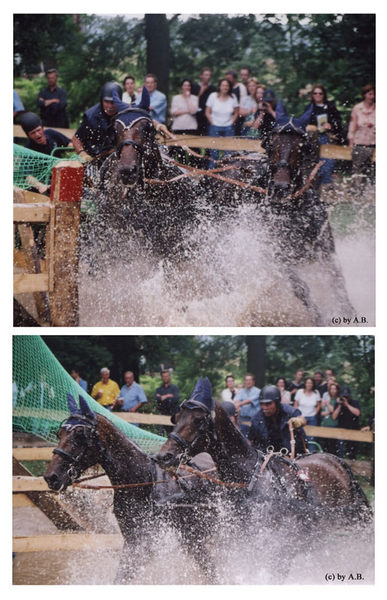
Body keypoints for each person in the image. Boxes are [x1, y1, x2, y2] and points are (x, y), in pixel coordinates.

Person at [72, 81, 123, 163]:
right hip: (93, 159)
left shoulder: (124, 115)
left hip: (116, 158)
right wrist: (82, 153)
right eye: (106, 102)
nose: (110, 106)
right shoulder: (90, 117)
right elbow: (76, 139)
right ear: (101, 100)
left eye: (113, 102)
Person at [249, 385, 306, 455]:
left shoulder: (290, 412)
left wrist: (298, 421)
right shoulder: (256, 419)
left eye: (268, 404)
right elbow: (251, 441)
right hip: (268, 458)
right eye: (262, 404)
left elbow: (302, 420)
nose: (264, 408)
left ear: (277, 402)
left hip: (294, 455)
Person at [305, 84, 344, 187]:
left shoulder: (330, 107)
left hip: (327, 138)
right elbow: (304, 123)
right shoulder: (309, 108)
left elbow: (339, 123)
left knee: (327, 163)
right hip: (312, 139)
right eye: (315, 93)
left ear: (324, 95)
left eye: (320, 93)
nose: (318, 95)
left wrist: (331, 126)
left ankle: (326, 187)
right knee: (312, 163)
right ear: (312, 95)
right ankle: (312, 187)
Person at [205, 78, 239, 168]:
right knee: (214, 153)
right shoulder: (213, 96)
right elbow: (207, 111)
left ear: (229, 87)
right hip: (215, 127)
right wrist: (212, 122)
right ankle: (211, 173)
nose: (225, 87)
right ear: (219, 86)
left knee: (228, 153)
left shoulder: (233, 97)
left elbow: (236, 112)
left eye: (227, 85)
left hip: (228, 127)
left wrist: (232, 122)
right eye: (223, 85)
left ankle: (228, 173)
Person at [347, 84, 375, 187]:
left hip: (373, 143)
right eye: (370, 94)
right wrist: (351, 142)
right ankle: (356, 193)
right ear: (365, 95)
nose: (372, 97)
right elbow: (352, 126)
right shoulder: (357, 108)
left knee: (370, 172)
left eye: (374, 94)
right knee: (358, 171)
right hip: (359, 143)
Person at [332, 386, 361, 459]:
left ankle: (352, 462)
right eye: (343, 396)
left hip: (353, 429)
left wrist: (347, 404)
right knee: (340, 449)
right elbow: (334, 417)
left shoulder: (354, 402)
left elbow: (357, 413)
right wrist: (339, 406)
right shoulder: (338, 404)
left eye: (346, 396)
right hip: (341, 429)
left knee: (352, 449)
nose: (345, 398)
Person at [294, 377, 321, 452]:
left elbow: (319, 405)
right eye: (308, 382)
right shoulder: (300, 392)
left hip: (312, 418)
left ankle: (311, 456)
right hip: (300, 417)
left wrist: (315, 413)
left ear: (313, 384)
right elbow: (296, 404)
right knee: (300, 437)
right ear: (305, 384)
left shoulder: (316, 392)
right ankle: (300, 454)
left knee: (312, 438)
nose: (309, 384)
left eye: (311, 383)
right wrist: (298, 414)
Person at [234, 373, 261, 438]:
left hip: (254, 419)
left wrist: (240, 403)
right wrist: (238, 403)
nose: (248, 382)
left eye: (250, 380)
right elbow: (236, 400)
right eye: (246, 380)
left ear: (253, 382)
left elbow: (250, 400)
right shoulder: (241, 391)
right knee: (243, 438)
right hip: (243, 419)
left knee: (254, 438)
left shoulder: (258, 391)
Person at [191, 67, 216, 135]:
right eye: (206, 75)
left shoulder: (213, 88)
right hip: (196, 116)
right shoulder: (194, 87)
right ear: (201, 76)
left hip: (208, 117)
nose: (207, 77)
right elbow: (192, 101)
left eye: (209, 75)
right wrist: (201, 92)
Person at [154, 369, 180, 435]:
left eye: (167, 376)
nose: (165, 378)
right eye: (164, 376)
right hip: (162, 414)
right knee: (160, 434)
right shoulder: (159, 389)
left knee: (172, 434)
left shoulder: (175, 388)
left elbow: (175, 399)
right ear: (161, 377)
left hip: (173, 415)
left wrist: (162, 397)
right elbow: (157, 399)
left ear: (169, 376)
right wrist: (168, 395)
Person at [225, 69, 247, 136]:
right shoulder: (226, 88)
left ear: (234, 78)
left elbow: (243, 103)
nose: (227, 80)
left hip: (238, 117)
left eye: (229, 78)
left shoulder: (241, 87)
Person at [320, 381, 340, 453]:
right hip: (324, 424)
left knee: (332, 446)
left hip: (333, 425)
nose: (333, 391)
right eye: (331, 389)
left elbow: (333, 411)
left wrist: (328, 405)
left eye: (334, 389)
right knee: (324, 445)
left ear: (337, 390)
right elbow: (322, 413)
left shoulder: (338, 400)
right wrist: (328, 411)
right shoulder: (328, 400)